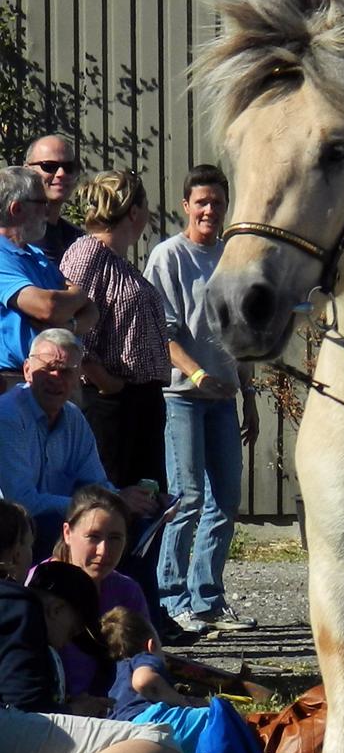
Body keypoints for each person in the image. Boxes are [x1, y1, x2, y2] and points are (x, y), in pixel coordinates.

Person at [0, 504, 183, 753]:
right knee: (161, 745)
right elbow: (25, 702)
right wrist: (71, 709)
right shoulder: (15, 603)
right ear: (11, 553)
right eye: (26, 543)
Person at [144, 165, 259, 636]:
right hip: (182, 398)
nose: (210, 209)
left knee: (225, 499)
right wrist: (197, 374)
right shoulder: (168, 257)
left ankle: (208, 599)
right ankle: (172, 600)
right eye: (202, 202)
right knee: (186, 498)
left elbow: (243, 334)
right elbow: (162, 330)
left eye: (217, 201)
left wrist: (248, 394)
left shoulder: (233, 258)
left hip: (224, 399)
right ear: (186, 206)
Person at [0, 329, 160, 557]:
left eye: (66, 372)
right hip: (14, 533)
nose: (56, 378)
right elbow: (23, 503)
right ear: (27, 371)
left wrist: (127, 499)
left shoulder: (74, 418)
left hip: (58, 524)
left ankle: (128, 593)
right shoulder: (7, 416)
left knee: (134, 526)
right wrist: (104, 505)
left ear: (77, 378)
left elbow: (95, 482)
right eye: (48, 369)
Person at [59, 170, 170, 490]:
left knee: (147, 502)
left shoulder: (120, 262)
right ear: (135, 212)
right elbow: (69, 327)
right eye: (146, 205)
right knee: (112, 500)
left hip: (141, 402)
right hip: (111, 405)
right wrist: (108, 385)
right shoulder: (88, 252)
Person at [50, 486, 149, 709]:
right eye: (93, 537)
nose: (104, 551)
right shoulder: (42, 589)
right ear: (67, 533)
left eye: (115, 538)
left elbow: (147, 660)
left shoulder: (127, 591)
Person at [0, 165, 96, 391]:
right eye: (42, 203)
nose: (48, 211)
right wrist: (74, 299)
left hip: (54, 380)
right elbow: (48, 306)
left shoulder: (37, 256)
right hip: (12, 383)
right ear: (16, 208)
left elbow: (91, 310)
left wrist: (67, 324)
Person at [102, 607, 211, 753]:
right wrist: (184, 702)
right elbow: (144, 681)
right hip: (150, 724)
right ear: (151, 645)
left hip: (119, 736)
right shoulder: (144, 658)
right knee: (218, 718)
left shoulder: (115, 673)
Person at [24, 133, 84, 264]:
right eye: (49, 166)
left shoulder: (77, 239)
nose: (61, 174)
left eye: (68, 167)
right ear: (27, 171)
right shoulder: (13, 235)